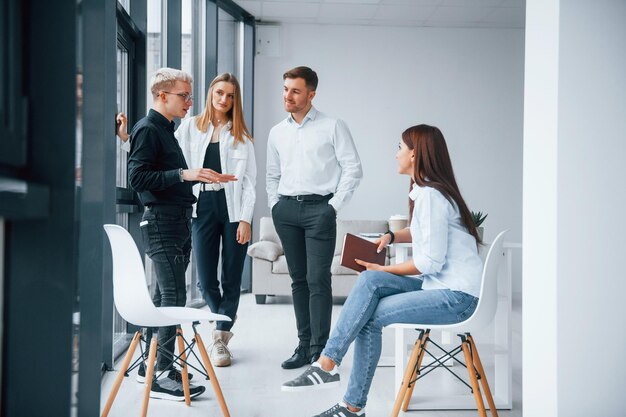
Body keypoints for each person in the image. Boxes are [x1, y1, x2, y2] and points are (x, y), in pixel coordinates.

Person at [280, 124, 484, 417]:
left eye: (400, 148)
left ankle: (341, 388)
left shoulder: (432, 196)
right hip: (441, 288)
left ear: (415, 154)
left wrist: (385, 266)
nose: (396, 154)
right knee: (372, 281)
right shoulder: (430, 193)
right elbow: (420, 232)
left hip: (458, 298)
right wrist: (391, 237)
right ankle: (332, 372)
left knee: (369, 310)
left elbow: (429, 263)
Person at [119, 73, 256, 367]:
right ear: (211, 94)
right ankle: (161, 363)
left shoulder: (241, 135)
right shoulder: (188, 127)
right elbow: (153, 163)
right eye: (219, 93)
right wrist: (125, 142)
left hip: (230, 205)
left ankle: (220, 336)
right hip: (199, 203)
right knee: (204, 280)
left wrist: (246, 218)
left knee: (229, 277)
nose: (224, 100)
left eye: (230, 95)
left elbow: (250, 183)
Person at [266, 66, 363, 369]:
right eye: (285, 89)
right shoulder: (277, 132)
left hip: (320, 209)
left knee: (317, 279)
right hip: (287, 211)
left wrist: (333, 207)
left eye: (295, 90)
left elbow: (353, 168)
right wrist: (275, 206)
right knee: (298, 281)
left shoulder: (333, 126)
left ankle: (320, 349)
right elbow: (272, 174)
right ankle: (303, 345)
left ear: (311, 94)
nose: (288, 96)